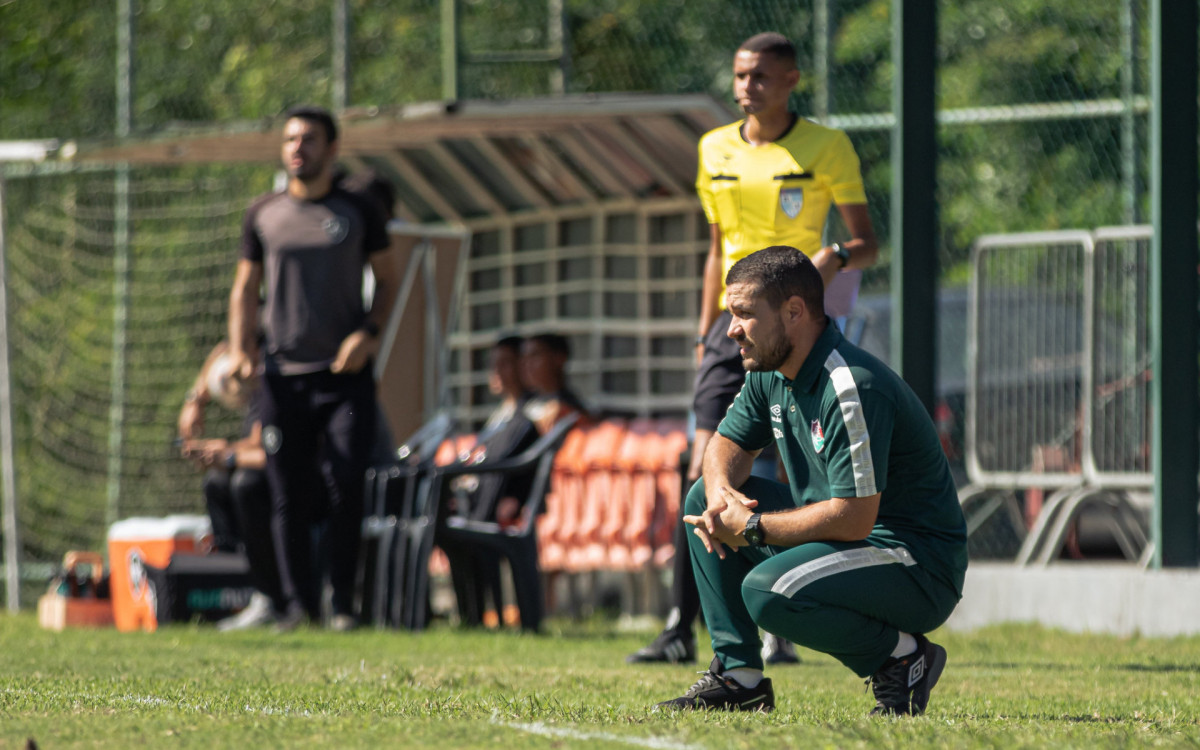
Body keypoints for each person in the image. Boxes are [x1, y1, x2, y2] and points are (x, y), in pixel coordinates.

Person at [629, 31, 879, 666]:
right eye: (740, 76)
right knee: (705, 469)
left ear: (791, 79)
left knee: (791, 470)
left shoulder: (826, 145)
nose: (747, 87)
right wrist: (702, 333)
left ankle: (782, 616)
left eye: (761, 76)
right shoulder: (713, 148)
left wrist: (833, 258)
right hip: (727, 329)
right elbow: (716, 249)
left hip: (791, 329)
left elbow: (866, 242)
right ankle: (680, 626)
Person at [653, 246, 966, 716]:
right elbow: (723, 446)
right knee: (702, 495)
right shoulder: (770, 370)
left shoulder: (850, 384)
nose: (731, 329)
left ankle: (903, 657)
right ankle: (739, 679)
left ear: (794, 312)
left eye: (743, 314)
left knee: (766, 590)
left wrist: (753, 528)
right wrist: (722, 499)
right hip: (849, 540)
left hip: (914, 563)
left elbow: (856, 518)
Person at [226, 105, 399, 632]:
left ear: (332, 149)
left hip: (343, 377)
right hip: (283, 376)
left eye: (310, 139)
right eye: (290, 140)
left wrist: (368, 336)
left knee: (348, 485)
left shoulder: (357, 210)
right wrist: (240, 350)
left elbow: (389, 280)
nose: (298, 148)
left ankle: (342, 603)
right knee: (286, 492)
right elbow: (244, 290)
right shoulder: (264, 213)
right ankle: (297, 606)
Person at [176, 340, 279, 631]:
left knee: (246, 484)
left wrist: (228, 454)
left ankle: (270, 595)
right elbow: (221, 349)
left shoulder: (278, 376)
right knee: (216, 483)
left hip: (302, 489)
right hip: (262, 472)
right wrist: (196, 400)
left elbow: (270, 453)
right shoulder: (249, 375)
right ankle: (236, 582)